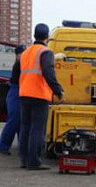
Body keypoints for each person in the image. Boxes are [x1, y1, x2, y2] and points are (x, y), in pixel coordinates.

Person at [18, 24, 64, 170]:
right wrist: (58, 91)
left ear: (34, 35)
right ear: (47, 37)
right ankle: (34, 162)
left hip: (24, 93)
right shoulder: (46, 52)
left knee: (25, 128)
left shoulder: (26, 52)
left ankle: (24, 160)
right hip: (39, 95)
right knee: (37, 129)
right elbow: (48, 73)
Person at [0, 45, 26, 155]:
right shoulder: (19, 64)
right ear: (18, 55)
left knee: (21, 121)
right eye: (23, 53)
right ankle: (3, 146)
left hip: (18, 92)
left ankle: (22, 147)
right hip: (15, 92)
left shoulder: (20, 63)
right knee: (14, 120)